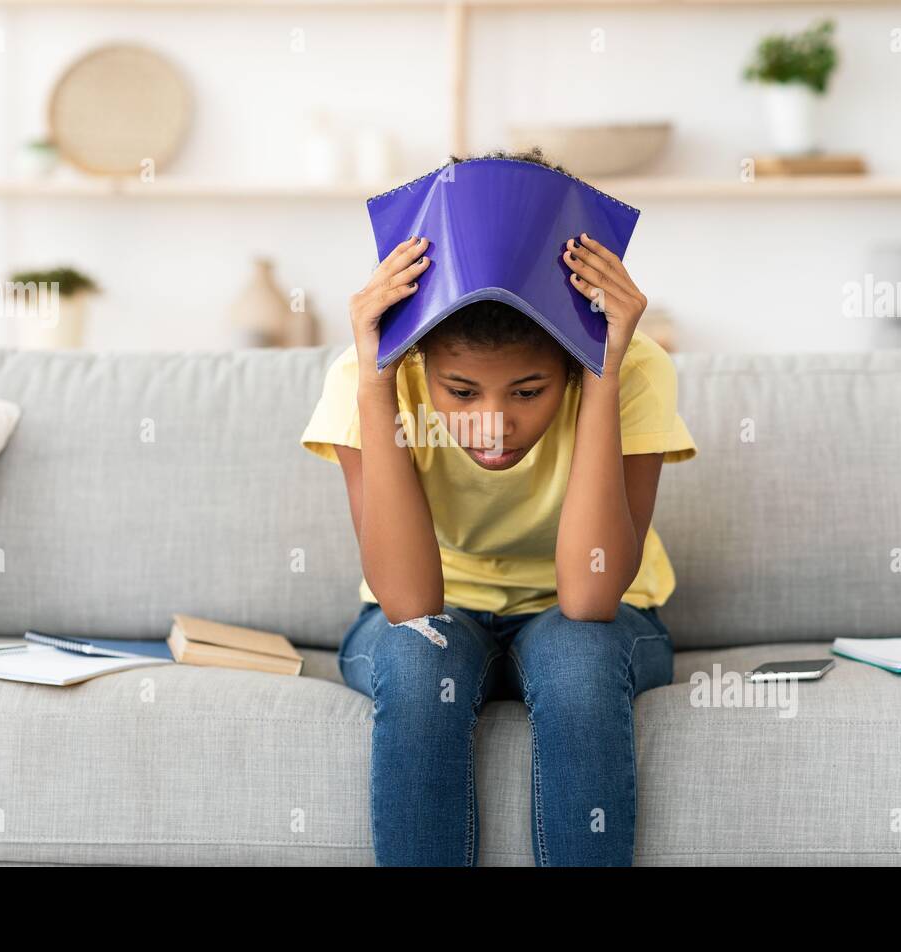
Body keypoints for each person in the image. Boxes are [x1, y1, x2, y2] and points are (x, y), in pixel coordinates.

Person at [299, 148, 698, 866]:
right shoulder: (371, 376)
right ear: (421, 360)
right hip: (432, 613)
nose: (492, 424)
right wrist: (374, 385)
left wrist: (602, 379)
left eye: (527, 391)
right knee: (422, 661)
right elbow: (412, 604)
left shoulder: (628, 368)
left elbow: (590, 595)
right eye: (460, 392)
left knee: (577, 658)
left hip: (590, 616)